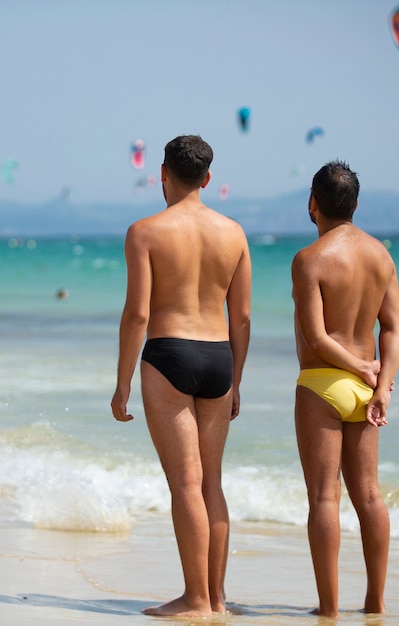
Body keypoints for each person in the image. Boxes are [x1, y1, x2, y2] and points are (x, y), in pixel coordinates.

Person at [110, 135, 251, 618]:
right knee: (211, 483)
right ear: (208, 178)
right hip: (219, 359)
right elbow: (244, 317)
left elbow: (137, 314)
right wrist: (238, 378)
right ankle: (216, 597)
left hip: (169, 355)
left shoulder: (144, 231)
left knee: (186, 485)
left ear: (162, 174)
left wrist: (123, 380)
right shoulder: (233, 233)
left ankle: (194, 599)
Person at [292, 160, 399, 618]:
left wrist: (358, 366)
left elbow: (317, 338)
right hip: (367, 388)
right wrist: (382, 385)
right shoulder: (381, 256)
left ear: (312, 204)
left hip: (323, 383)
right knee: (370, 496)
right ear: (356, 205)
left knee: (324, 497)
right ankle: (375, 602)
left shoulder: (310, 259)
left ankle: (328, 608)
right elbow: (394, 329)